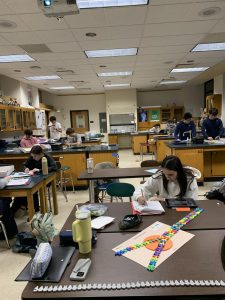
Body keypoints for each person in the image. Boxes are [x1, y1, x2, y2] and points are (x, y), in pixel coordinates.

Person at [133, 155, 198, 205]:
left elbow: (192, 201)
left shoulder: (189, 180)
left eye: (171, 175)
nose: (167, 177)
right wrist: (139, 197)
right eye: (165, 174)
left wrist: (163, 200)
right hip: (164, 211)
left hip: (183, 211)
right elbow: (142, 189)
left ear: (179, 172)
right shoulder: (160, 176)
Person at [11, 145, 57, 213]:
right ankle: (30, 207)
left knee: (33, 190)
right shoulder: (32, 157)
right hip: (34, 178)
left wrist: (39, 170)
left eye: (35, 156)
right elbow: (24, 165)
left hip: (46, 178)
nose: (33, 158)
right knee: (25, 189)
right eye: (32, 156)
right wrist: (25, 169)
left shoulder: (47, 157)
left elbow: (54, 167)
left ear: (41, 154)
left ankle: (34, 209)